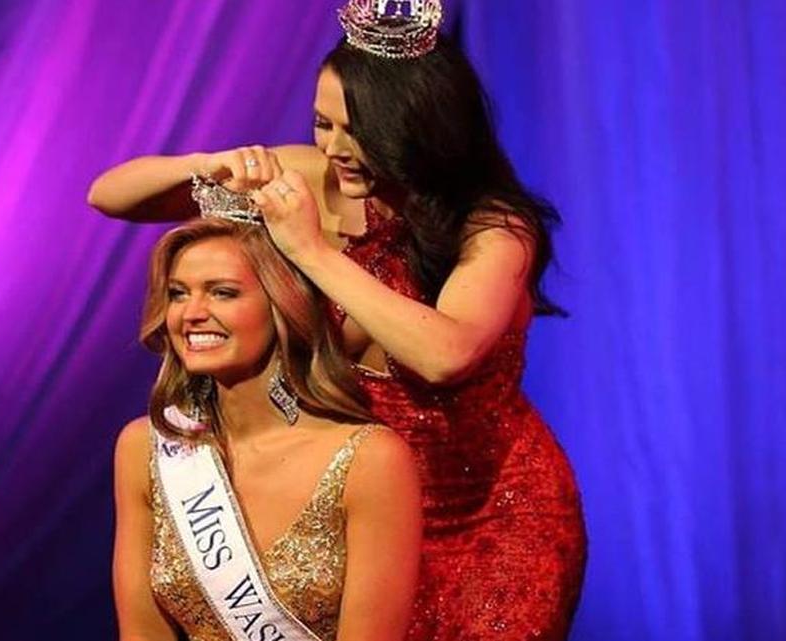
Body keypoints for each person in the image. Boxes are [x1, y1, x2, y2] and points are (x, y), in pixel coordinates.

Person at [94, 2, 585, 638]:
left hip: (495, 516)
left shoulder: (493, 229)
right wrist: (208, 165)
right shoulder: (314, 177)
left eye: (355, 131)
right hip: (365, 506)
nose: (333, 148)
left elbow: (444, 354)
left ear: (415, 126)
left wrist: (310, 250)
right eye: (322, 124)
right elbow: (108, 195)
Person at [112, 214, 421, 641]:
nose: (192, 313)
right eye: (178, 294)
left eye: (222, 293)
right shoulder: (147, 447)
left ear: (282, 304)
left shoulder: (369, 459)